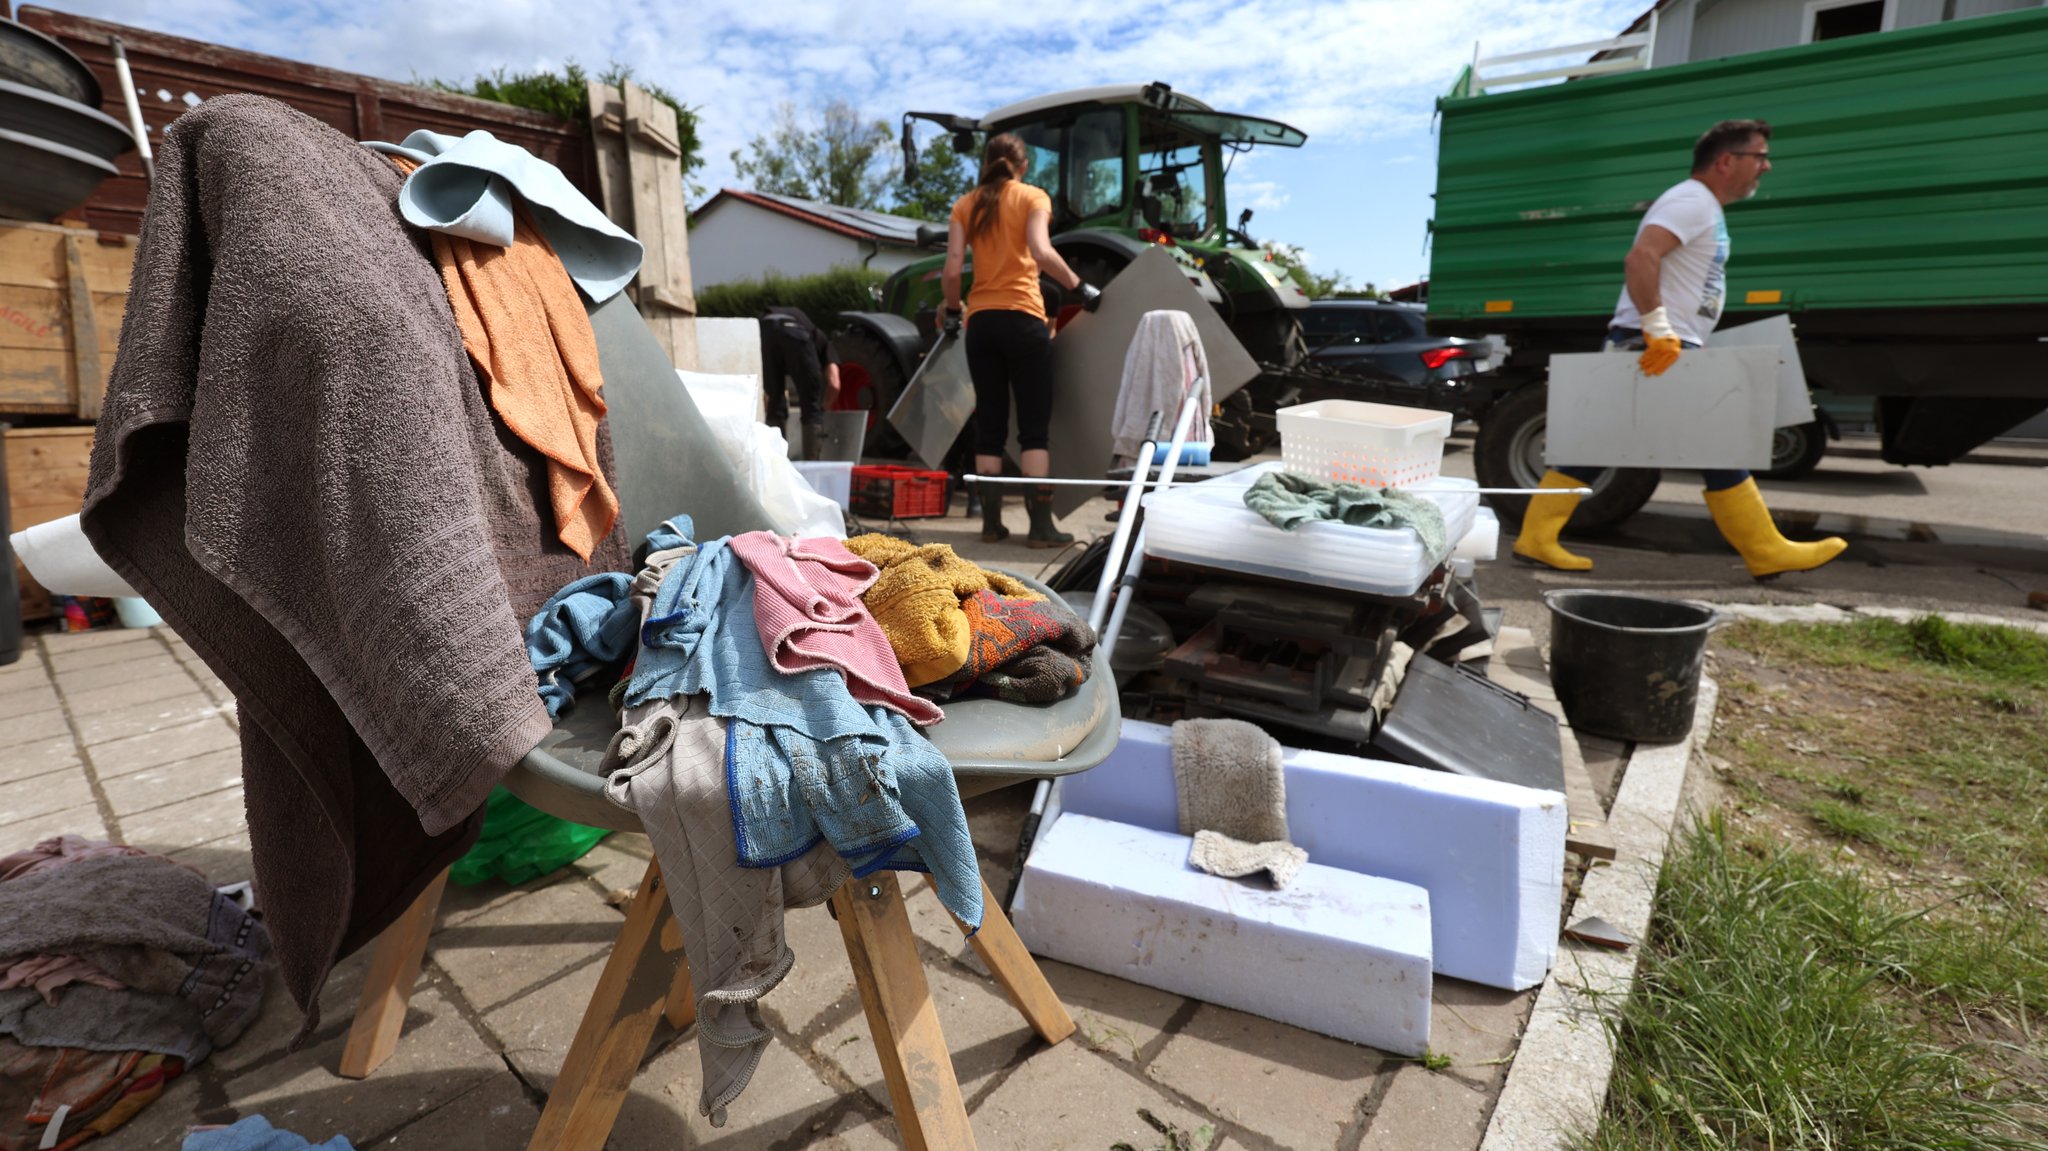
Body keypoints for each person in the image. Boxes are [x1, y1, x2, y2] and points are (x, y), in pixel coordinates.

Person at [1513, 118, 1848, 580]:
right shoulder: (1691, 201)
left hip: (1656, 342)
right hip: (1656, 345)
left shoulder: (1701, 205)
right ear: (1726, 161)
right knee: (1720, 444)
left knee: (1601, 444)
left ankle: (1537, 538)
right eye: (1760, 156)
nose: (1766, 167)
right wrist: (1658, 328)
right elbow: (1641, 257)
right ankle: (1765, 549)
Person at [943, 133, 1101, 547]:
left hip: (981, 324)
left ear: (986, 163)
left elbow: (953, 267)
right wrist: (1079, 287)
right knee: (1033, 429)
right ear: (1023, 165)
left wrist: (953, 310)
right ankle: (1041, 528)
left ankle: (991, 525)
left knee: (990, 423)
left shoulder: (964, 205)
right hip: (1023, 319)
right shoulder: (1033, 196)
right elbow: (1041, 251)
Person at [759, 305, 840, 460]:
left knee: (775, 404)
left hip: (764, 328)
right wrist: (820, 411)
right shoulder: (824, 343)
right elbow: (834, 384)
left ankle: (777, 464)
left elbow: (768, 397)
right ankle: (812, 466)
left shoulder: (808, 327)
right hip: (795, 331)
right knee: (811, 407)